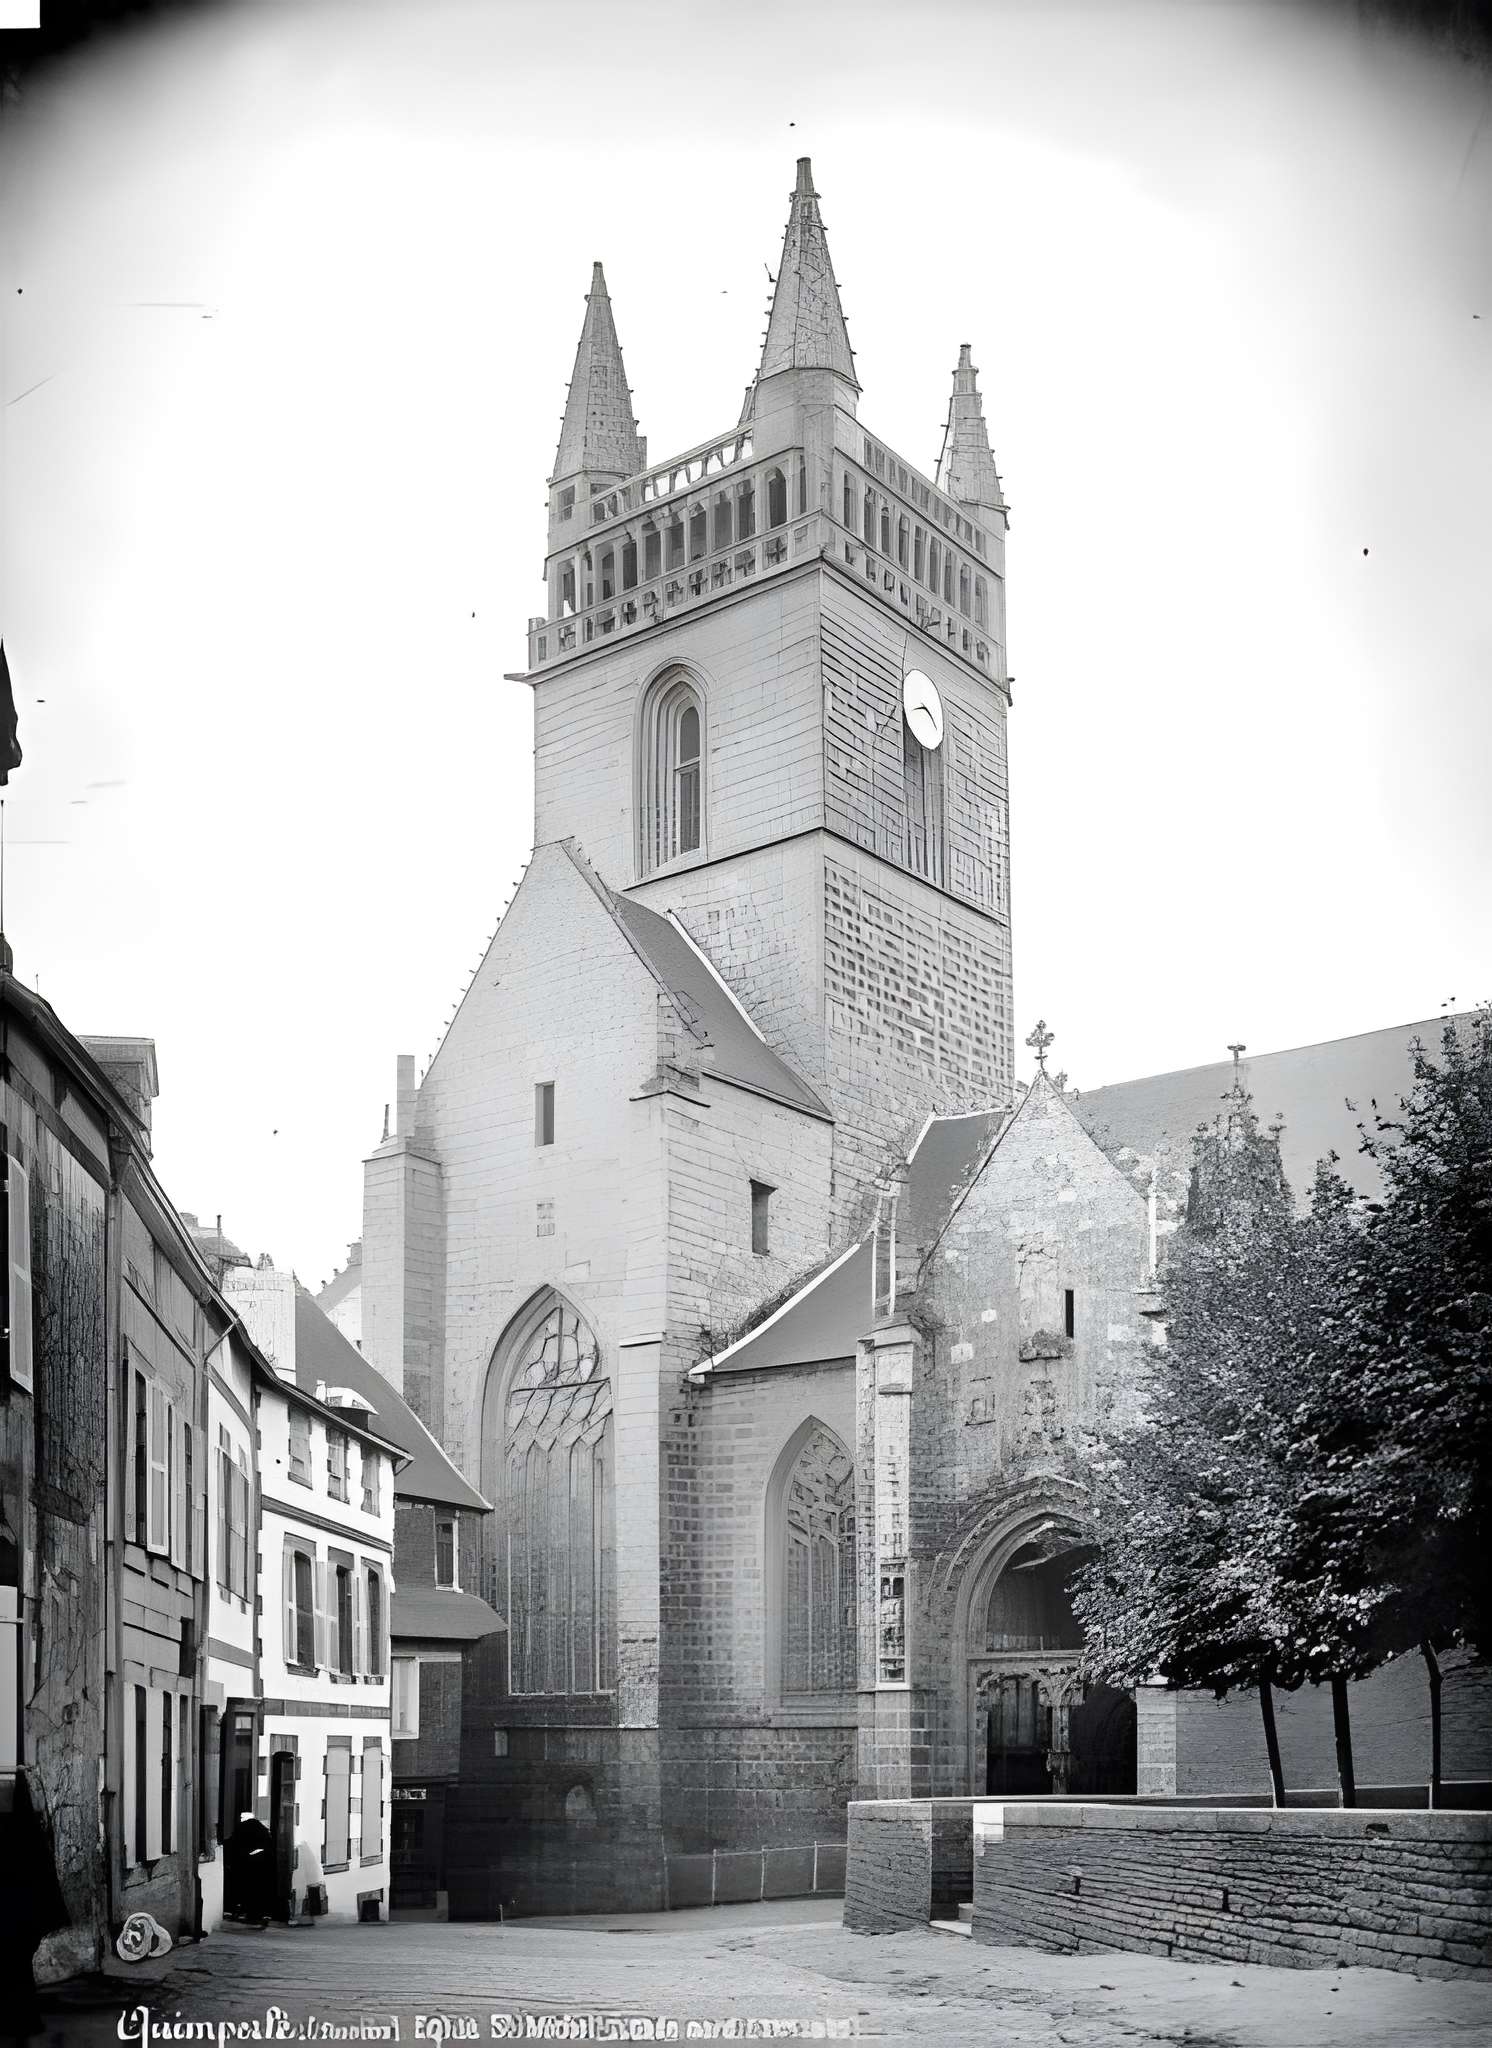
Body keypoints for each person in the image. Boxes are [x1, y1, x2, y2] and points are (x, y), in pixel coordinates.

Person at [0, 1773, 68, 2043]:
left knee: (14, 1967)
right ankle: (21, 2023)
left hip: (17, 1913)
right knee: (17, 1968)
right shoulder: (29, 1833)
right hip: (23, 1913)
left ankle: (19, 2023)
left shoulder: (18, 1838)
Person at [224, 1810, 275, 1928]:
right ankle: (257, 1914)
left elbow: (233, 1845)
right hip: (260, 1867)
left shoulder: (241, 1830)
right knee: (258, 1890)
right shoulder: (261, 1831)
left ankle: (247, 1912)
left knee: (247, 1889)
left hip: (246, 1866)